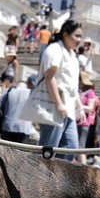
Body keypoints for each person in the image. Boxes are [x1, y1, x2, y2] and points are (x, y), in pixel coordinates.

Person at [36, 20, 83, 159]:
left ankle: (57, 178)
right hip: (54, 107)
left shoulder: (72, 54)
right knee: (48, 149)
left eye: (80, 36)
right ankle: (41, 178)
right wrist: (59, 104)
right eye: (77, 36)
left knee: (71, 147)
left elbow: (72, 85)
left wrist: (79, 107)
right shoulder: (54, 49)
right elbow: (50, 77)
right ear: (65, 35)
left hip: (68, 109)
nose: (79, 40)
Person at [0, 74, 35, 143]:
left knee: (5, 151)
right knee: (21, 152)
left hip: (7, 126)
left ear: (17, 84)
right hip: (24, 127)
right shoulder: (32, 93)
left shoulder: (8, 91)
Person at [75, 71, 99, 164]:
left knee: (80, 146)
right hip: (75, 120)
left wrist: (78, 106)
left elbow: (90, 108)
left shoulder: (90, 93)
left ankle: (82, 166)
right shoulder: (78, 92)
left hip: (84, 122)